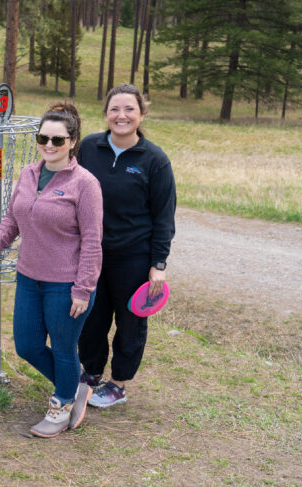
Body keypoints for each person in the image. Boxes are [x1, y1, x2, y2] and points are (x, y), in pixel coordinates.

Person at [0, 103, 103, 438]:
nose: (49, 145)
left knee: (63, 348)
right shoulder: (29, 173)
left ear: (73, 142)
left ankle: (61, 405)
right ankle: (76, 387)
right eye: (43, 137)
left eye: (58, 140)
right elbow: (13, 219)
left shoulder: (85, 184)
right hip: (29, 278)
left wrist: (83, 288)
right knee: (27, 345)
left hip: (66, 285)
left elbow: (92, 241)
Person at [77, 84, 176, 410]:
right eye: (115, 109)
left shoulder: (154, 160)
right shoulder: (88, 148)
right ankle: (90, 374)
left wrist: (158, 264)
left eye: (129, 109)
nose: (121, 115)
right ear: (106, 114)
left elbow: (163, 216)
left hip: (134, 257)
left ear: (141, 114)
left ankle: (118, 384)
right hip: (91, 254)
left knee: (130, 323)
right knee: (91, 317)